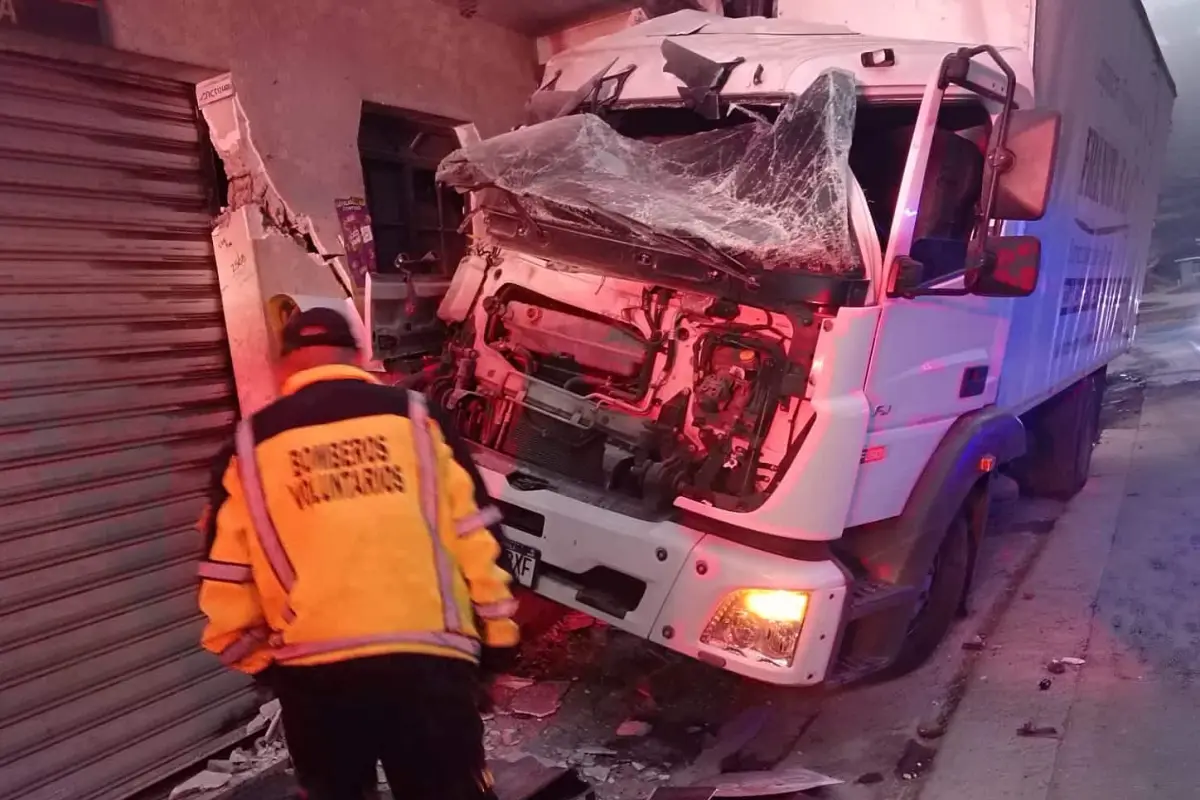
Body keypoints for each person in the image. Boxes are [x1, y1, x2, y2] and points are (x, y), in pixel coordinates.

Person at [197, 307, 518, 800]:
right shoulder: (417, 419)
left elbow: (224, 577)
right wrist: (496, 641)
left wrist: (264, 663)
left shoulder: (248, 446)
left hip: (316, 678)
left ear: (282, 365)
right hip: (427, 664)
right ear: (359, 354)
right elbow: (477, 533)